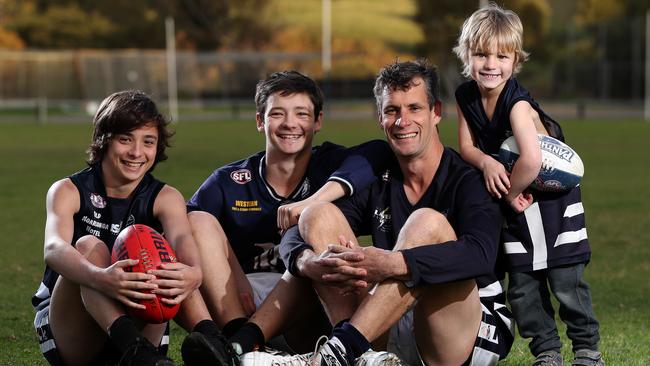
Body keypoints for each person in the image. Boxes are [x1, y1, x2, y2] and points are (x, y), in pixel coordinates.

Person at [242, 59, 514, 366]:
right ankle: (365, 356)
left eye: (414, 108)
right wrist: (308, 263)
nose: (402, 121)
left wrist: (392, 262)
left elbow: (480, 255)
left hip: (461, 331)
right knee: (317, 215)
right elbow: (296, 233)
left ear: (435, 112)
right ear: (380, 118)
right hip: (387, 322)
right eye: (392, 111)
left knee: (427, 223)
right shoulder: (379, 180)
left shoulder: (469, 179)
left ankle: (334, 354)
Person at [183, 70, 390, 361]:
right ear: (260, 121)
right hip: (244, 301)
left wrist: (313, 200)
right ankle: (237, 343)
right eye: (277, 113)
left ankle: (243, 347)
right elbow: (182, 232)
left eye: (302, 114)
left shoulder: (328, 164)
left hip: (313, 304)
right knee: (196, 220)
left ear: (318, 121)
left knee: (313, 250)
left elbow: (378, 152)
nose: (290, 123)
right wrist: (233, 274)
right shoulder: (230, 180)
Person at [453, 3, 603, 366]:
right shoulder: (465, 96)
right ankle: (547, 352)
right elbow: (467, 146)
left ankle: (587, 351)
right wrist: (488, 161)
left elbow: (533, 161)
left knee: (566, 283)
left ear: (516, 59)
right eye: (481, 54)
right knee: (522, 286)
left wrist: (510, 192)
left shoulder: (517, 104)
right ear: (465, 54)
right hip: (515, 201)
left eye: (501, 56)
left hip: (550, 201)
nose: (491, 64)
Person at [31, 90, 226, 366]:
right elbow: (53, 249)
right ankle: (133, 349)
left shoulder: (165, 196)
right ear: (104, 140)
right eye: (125, 139)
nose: (136, 152)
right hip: (74, 333)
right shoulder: (67, 190)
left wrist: (194, 272)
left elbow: (183, 240)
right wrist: (101, 277)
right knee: (89, 245)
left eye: (148, 142)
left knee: (166, 258)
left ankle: (212, 341)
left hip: (143, 321)